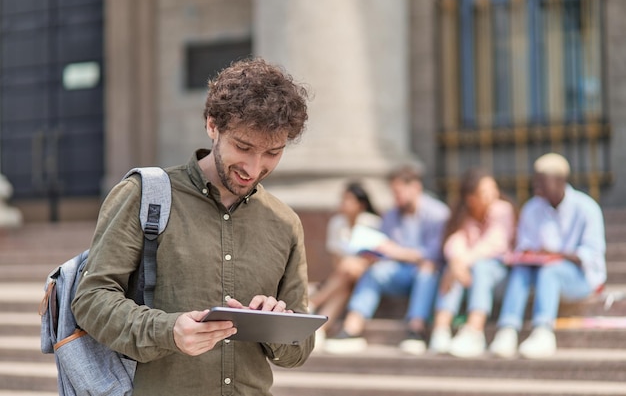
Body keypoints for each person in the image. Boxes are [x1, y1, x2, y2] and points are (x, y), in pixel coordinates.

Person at [72, 58, 313, 395]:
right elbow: (91, 300)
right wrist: (167, 331)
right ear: (212, 125)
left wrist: (277, 324)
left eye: (273, 153)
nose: (254, 168)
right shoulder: (143, 195)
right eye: (243, 147)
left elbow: (300, 348)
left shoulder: (285, 223)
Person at [489, 153, 606, 359]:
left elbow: (591, 254)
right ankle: (507, 329)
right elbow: (524, 246)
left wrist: (556, 255)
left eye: (542, 180)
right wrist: (529, 255)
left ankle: (543, 331)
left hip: (580, 279)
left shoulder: (586, 208)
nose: (536, 185)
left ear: (560, 181)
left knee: (551, 269)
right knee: (521, 269)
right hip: (538, 274)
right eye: (536, 179)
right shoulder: (532, 208)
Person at [324, 164, 450, 355]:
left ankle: (416, 329)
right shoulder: (392, 214)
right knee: (374, 272)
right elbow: (383, 244)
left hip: (431, 274)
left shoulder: (438, 213)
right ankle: (352, 328)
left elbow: (435, 253)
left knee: (427, 269)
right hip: (398, 271)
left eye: (398, 192)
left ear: (415, 187)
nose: (396, 197)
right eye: (393, 192)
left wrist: (397, 252)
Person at [428, 168, 516, 358]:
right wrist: (456, 263)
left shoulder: (502, 210)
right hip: (467, 277)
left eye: (494, 189)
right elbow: (454, 242)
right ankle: (441, 329)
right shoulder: (463, 216)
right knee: (452, 269)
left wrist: (460, 263)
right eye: (485, 192)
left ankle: (474, 330)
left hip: (498, 276)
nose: (492, 195)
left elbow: (494, 244)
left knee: (479, 266)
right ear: (471, 198)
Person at [308, 182, 381, 344]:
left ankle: (313, 303)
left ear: (360, 204)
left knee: (348, 268)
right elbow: (336, 259)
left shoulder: (373, 223)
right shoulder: (336, 223)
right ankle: (320, 331)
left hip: (367, 273)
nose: (343, 203)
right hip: (343, 276)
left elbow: (372, 257)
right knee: (344, 288)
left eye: (348, 199)